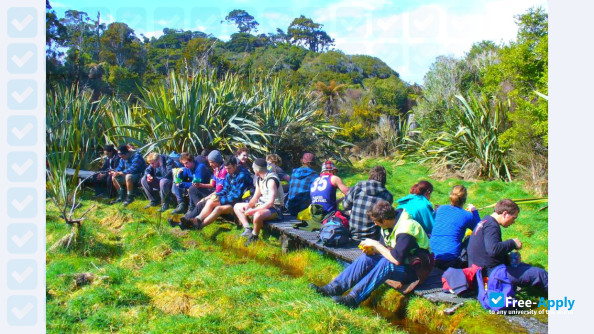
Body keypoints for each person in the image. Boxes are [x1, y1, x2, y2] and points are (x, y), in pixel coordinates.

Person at [309, 200, 432, 308]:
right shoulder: (389, 224)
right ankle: (333, 288)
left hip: (416, 270)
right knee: (367, 258)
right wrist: (372, 250)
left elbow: (396, 259)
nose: (374, 224)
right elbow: (386, 249)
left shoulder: (406, 228)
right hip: (402, 262)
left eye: (375, 221)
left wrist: (376, 245)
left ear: (384, 220)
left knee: (386, 263)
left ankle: (354, 299)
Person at [468, 199, 548, 292]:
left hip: (480, 272)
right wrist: (513, 243)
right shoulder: (491, 226)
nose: (513, 222)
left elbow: (487, 251)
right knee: (539, 274)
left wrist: (507, 258)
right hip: (488, 275)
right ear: (505, 214)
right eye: (514, 218)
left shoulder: (485, 221)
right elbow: (493, 249)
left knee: (527, 267)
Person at [177, 156, 253, 230]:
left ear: (235, 165)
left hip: (238, 203)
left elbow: (237, 196)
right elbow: (225, 190)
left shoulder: (242, 175)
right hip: (229, 200)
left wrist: (220, 199)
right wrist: (216, 195)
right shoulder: (229, 174)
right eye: (226, 169)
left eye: (229, 168)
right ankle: (196, 220)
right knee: (210, 201)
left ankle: (197, 226)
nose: (227, 171)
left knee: (215, 206)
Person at [233, 158, 284, 246]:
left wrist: (253, 211)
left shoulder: (271, 180)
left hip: (274, 208)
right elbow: (256, 196)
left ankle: (254, 236)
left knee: (257, 215)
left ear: (257, 170)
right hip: (262, 205)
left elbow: (271, 203)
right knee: (237, 206)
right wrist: (248, 206)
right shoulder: (259, 179)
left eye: (253, 168)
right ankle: (247, 229)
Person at [429, 185, 481, 270]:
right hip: (450, 258)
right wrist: (475, 212)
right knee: (470, 237)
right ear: (465, 199)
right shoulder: (467, 215)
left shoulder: (440, 209)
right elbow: (480, 229)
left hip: (431, 254)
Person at [343, 166, 394, 241]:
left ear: (370, 176)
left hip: (354, 235)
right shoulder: (387, 195)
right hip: (374, 238)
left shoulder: (358, 187)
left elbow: (345, 206)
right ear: (384, 179)